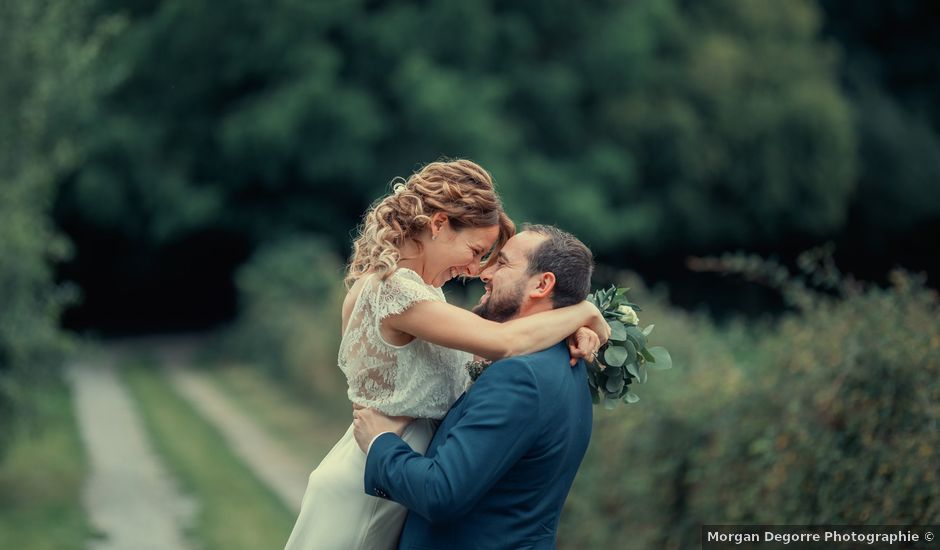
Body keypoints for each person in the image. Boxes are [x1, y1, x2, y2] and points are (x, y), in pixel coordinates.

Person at [284, 161, 608, 550]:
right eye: (475, 251)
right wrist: (585, 312)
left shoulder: (423, 298)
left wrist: (572, 325)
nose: (475, 270)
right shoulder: (393, 292)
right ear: (438, 225)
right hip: (372, 485)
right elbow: (503, 340)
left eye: (491, 259)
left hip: (395, 475)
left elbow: (504, 339)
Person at [353, 225, 597, 549]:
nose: (485, 272)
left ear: (542, 284)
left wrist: (381, 442)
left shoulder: (520, 377)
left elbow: (440, 493)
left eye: (503, 263)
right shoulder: (564, 361)